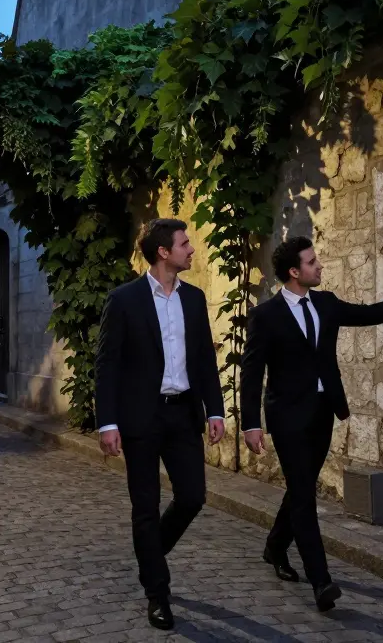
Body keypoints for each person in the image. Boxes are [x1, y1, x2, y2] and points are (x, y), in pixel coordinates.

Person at [239, 236, 383, 611]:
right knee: (304, 495)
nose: (319, 266)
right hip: (286, 415)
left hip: (322, 412)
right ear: (294, 272)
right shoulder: (266, 315)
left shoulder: (326, 303)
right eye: (312, 261)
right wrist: (250, 423)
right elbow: (252, 371)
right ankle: (321, 581)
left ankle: (274, 547)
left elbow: (371, 314)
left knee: (300, 488)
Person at [95, 218, 226, 631]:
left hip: (182, 412)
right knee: (145, 507)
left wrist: (215, 410)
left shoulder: (194, 298)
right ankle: (157, 592)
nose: (192, 249)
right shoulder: (125, 300)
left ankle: (152, 552)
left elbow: (204, 358)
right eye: (185, 243)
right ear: (164, 252)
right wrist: (107, 422)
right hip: (140, 417)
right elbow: (107, 364)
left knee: (192, 496)